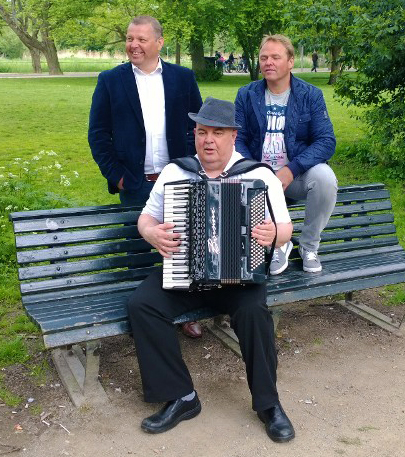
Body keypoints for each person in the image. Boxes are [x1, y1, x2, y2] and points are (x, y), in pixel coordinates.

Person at [127, 97, 295, 443]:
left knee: (253, 312)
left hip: (240, 274)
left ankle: (268, 404)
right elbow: (146, 216)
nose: (208, 140)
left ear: (233, 136)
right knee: (143, 305)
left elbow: (286, 228)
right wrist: (149, 231)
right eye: (202, 132)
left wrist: (273, 234)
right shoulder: (177, 171)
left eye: (217, 133)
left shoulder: (259, 174)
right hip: (185, 271)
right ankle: (181, 397)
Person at [88, 15, 204, 339]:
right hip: (135, 182)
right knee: (138, 251)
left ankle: (187, 312)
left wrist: (196, 167)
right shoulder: (110, 80)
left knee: (183, 247)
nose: (133, 45)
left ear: (159, 43)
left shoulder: (182, 78)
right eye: (129, 38)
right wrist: (120, 177)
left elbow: (200, 126)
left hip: (178, 179)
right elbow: (98, 135)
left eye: (140, 39)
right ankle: (145, 318)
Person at [235, 34, 337, 276]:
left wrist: (291, 169)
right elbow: (237, 138)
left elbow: (326, 141)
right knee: (247, 182)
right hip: (257, 178)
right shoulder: (246, 95)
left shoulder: (309, 95)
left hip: (294, 177)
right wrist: (255, 170)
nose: (268, 62)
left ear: (290, 61)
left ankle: (309, 246)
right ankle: (279, 243)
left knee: (324, 178)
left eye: (275, 57)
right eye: (264, 57)